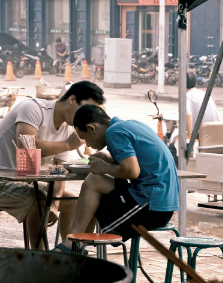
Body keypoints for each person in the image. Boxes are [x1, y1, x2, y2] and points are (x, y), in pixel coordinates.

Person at [0, 81, 106, 249]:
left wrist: (54, 204)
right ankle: (41, 258)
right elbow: (27, 147)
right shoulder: (32, 108)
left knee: (74, 201)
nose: (86, 116)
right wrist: (67, 145)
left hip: (25, 181)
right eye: (84, 109)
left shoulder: (68, 129)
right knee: (39, 200)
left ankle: (69, 253)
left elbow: (58, 170)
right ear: (72, 99)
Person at [56, 105, 179, 252]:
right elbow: (139, 162)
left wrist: (104, 168)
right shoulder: (129, 125)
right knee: (94, 184)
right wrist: (110, 159)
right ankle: (77, 242)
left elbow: (132, 171)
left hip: (152, 206)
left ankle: (74, 242)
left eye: (85, 138)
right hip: (160, 200)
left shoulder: (113, 133)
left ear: (92, 128)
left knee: (95, 197)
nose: (88, 144)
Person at [186, 71, 219, 136]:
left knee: (173, 145)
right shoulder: (204, 94)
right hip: (214, 134)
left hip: (200, 135)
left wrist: (189, 135)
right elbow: (218, 117)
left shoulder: (187, 96)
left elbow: (188, 114)